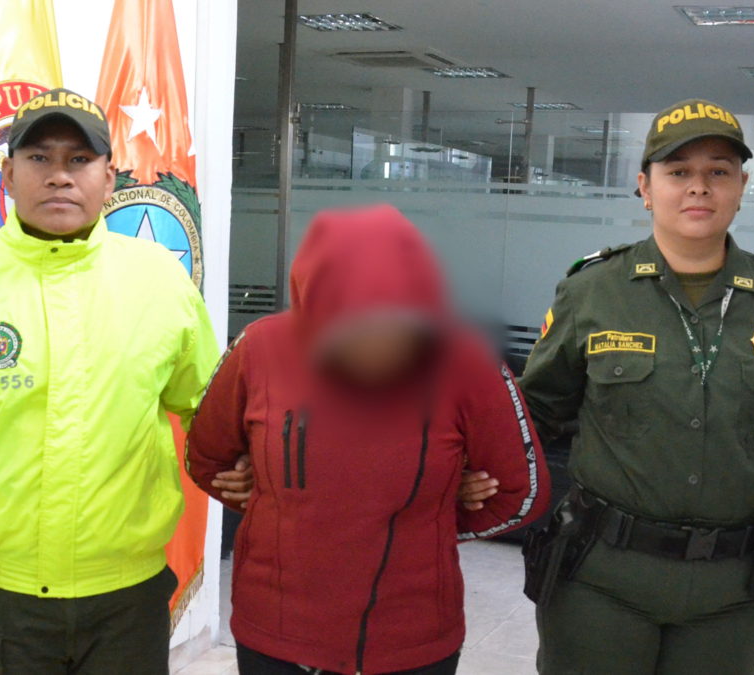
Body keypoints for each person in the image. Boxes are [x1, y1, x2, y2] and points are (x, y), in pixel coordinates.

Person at [0, 88, 225, 674]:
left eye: (79, 160)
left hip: (128, 602)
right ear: (9, 175)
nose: (60, 176)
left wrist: (250, 468)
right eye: (39, 158)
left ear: (109, 179)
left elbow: (210, 413)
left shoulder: (161, 281)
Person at [520, 99, 754, 675]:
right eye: (678, 171)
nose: (699, 187)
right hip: (600, 579)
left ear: (741, 187)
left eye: (718, 171)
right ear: (645, 188)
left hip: (732, 589)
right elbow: (531, 420)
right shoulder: (591, 292)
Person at [186, 204, 550, 675]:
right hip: (276, 632)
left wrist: (436, 515)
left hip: (412, 636)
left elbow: (521, 491)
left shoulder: (466, 363)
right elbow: (208, 457)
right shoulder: (260, 348)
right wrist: (275, 495)